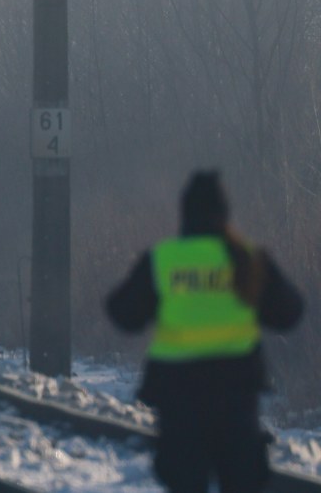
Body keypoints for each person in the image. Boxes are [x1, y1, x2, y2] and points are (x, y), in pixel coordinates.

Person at [106, 171, 304, 493]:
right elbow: (289, 313)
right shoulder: (248, 259)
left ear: (184, 214)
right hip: (236, 399)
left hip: (179, 399)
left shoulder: (164, 259)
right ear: (225, 213)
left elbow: (123, 314)